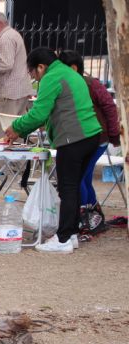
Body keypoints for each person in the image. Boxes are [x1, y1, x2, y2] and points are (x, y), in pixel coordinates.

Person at [4, 47, 102, 254]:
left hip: (72, 138)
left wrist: (16, 128)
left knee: (67, 188)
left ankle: (64, 238)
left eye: (32, 73)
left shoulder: (51, 77)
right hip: (91, 135)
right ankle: (72, 234)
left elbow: (39, 113)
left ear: (41, 67)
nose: (34, 78)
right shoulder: (69, 73)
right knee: (73, 187)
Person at [58, 50, 121, 238]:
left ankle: (85, 218)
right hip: (85, 137)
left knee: (79, 179)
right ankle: (94, 217)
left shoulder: (90, 84)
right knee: (83, 178)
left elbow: (110, 107)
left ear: (73, 68)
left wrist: (114, 134)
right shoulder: (73, 84)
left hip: (97, 138)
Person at [0, 12, 34, 139]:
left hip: (9, 93)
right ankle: (18, 159)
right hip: (18, 91)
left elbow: (6, 64)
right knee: (17, 130)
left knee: (3, 131)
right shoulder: (12, 35)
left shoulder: (5, 38)